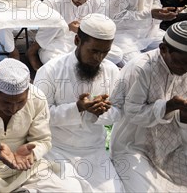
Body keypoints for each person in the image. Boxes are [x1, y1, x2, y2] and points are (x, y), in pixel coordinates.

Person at [0, 58, 82, 192]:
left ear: (28, 90)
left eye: (20, 102)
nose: (13, 109)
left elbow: (43, 141)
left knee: (70, 188)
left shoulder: (38, 99)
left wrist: (32, 154)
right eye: (6, 103)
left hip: (25, 170)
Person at [34, 14, 125, 192]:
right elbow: (39, 116)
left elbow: (119, 110)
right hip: (57, 148)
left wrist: (101, 112)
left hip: (94, 150)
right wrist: (77, 108)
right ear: (77, 40)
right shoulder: (51, 71)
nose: (99, 58)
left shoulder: (112, 71)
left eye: (104, 52)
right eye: (94, 51)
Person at [111, 21, 187, 192]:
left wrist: (184, 115)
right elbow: (133, 113)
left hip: (172, 144)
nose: (185, 69)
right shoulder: (140, 69)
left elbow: (183, 119)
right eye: (180, 63)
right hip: (134, 145)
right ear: (163, 49)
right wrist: (168, 107)